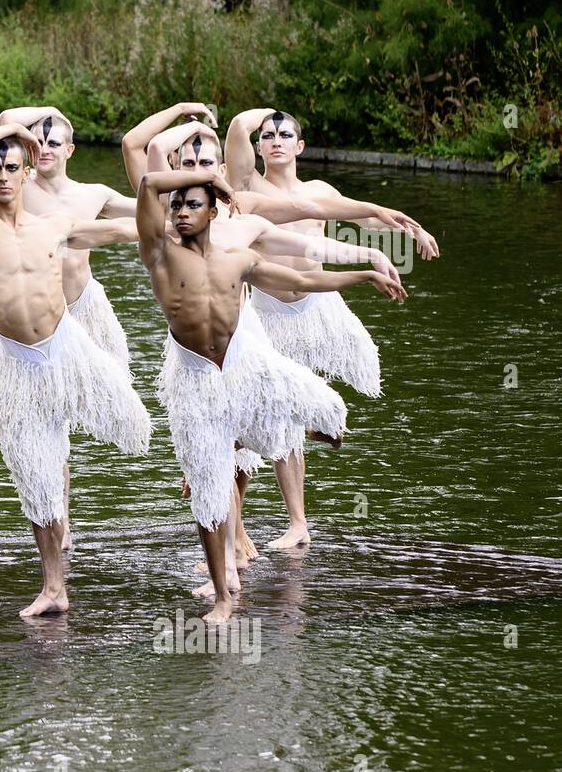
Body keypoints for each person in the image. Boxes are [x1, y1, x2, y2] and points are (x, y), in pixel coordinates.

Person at [134, 168, 407, 621]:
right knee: (209, 495)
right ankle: (224, 595)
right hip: (197, 381)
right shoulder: (159, 253)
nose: (182, 212)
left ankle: (284, 431)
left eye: (193, 205)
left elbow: (301, 281)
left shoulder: (237, 258)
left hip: (245, 366)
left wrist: (362, 276)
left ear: (213, 213)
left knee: (333, 414)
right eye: (177, 205)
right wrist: (208, 175)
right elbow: (146, 183)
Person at [0, 123, 150, 618]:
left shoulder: (52, 224)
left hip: (70, 347)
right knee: (37, 479)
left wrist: (179, 223)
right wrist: (15, 129)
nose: (2, 176)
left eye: (11, 166)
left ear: (25, 169)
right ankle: (54, 586)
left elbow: (123, 228)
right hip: (18, 364)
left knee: (139, 428)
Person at [224, 107, 440, 549]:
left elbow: (365, 220)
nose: (276, 140)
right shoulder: (247, 188)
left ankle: (304, 475)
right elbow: (234, 131)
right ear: (259, 146)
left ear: (301, 146)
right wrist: (263, 113)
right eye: (268, 135)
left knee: (289, 408)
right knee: (268, 413)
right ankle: (277, 520)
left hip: (318, 305)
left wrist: (410, 229)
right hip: (267, 310)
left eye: (286, 134)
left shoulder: (319, 190)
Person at [0, 105, 142, 549]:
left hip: (87, 311)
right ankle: (61, 521)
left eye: (53, 142)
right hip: (43, 319)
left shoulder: (92, 193)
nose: (43, 149)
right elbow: (3, 121)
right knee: (50, 424)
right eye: (36, 142)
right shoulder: (19, 187)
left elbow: (148, 208)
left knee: (122, 397)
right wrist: (47, 112)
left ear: (70, 150)